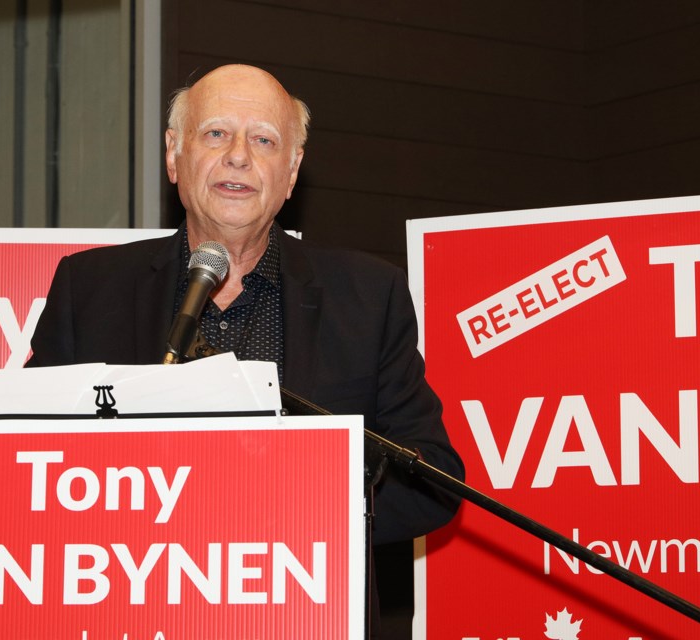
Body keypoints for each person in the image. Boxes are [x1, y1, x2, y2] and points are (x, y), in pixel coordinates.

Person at [27, 63, 464, 637]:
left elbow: (433, 482)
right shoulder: (91, 288)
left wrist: (286, 509)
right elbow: (24, 460)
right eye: (215, 134)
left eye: (263, 140)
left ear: (292, 172)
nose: (238, 156)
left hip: (303, 614)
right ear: (173, 155)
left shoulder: (366, 295)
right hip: (130, 612)